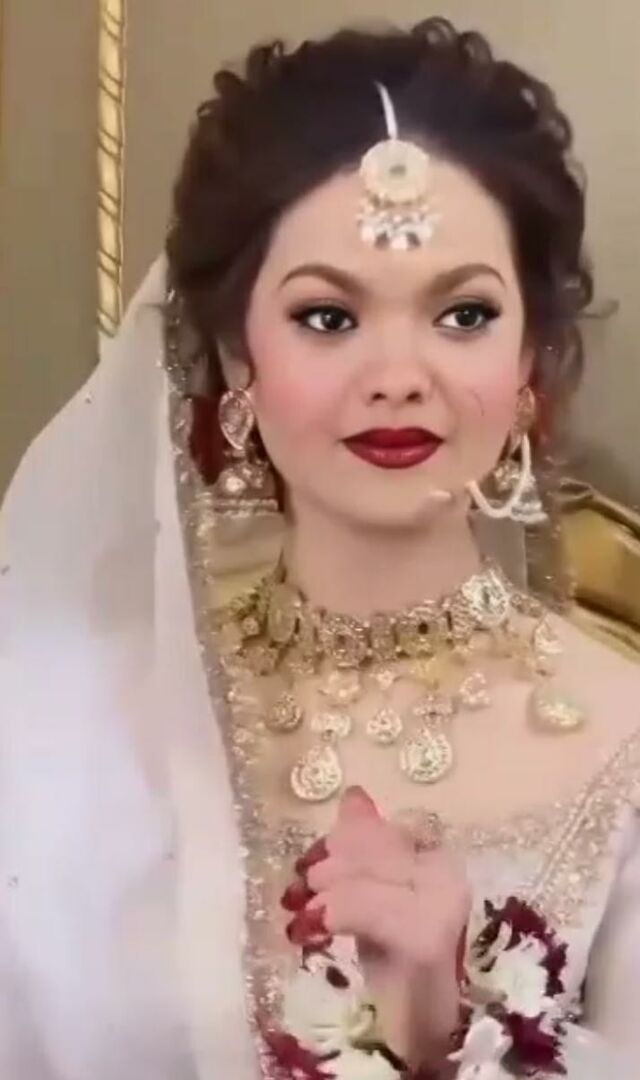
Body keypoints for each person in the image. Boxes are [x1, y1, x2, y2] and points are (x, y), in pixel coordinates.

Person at [1, 16, 638, 1079]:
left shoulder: (625, 743)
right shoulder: (69, 717)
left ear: (530, 356)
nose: (398, 375)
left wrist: (443, 1031)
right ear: (233, 358)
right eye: (329, 318)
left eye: (463, 314)